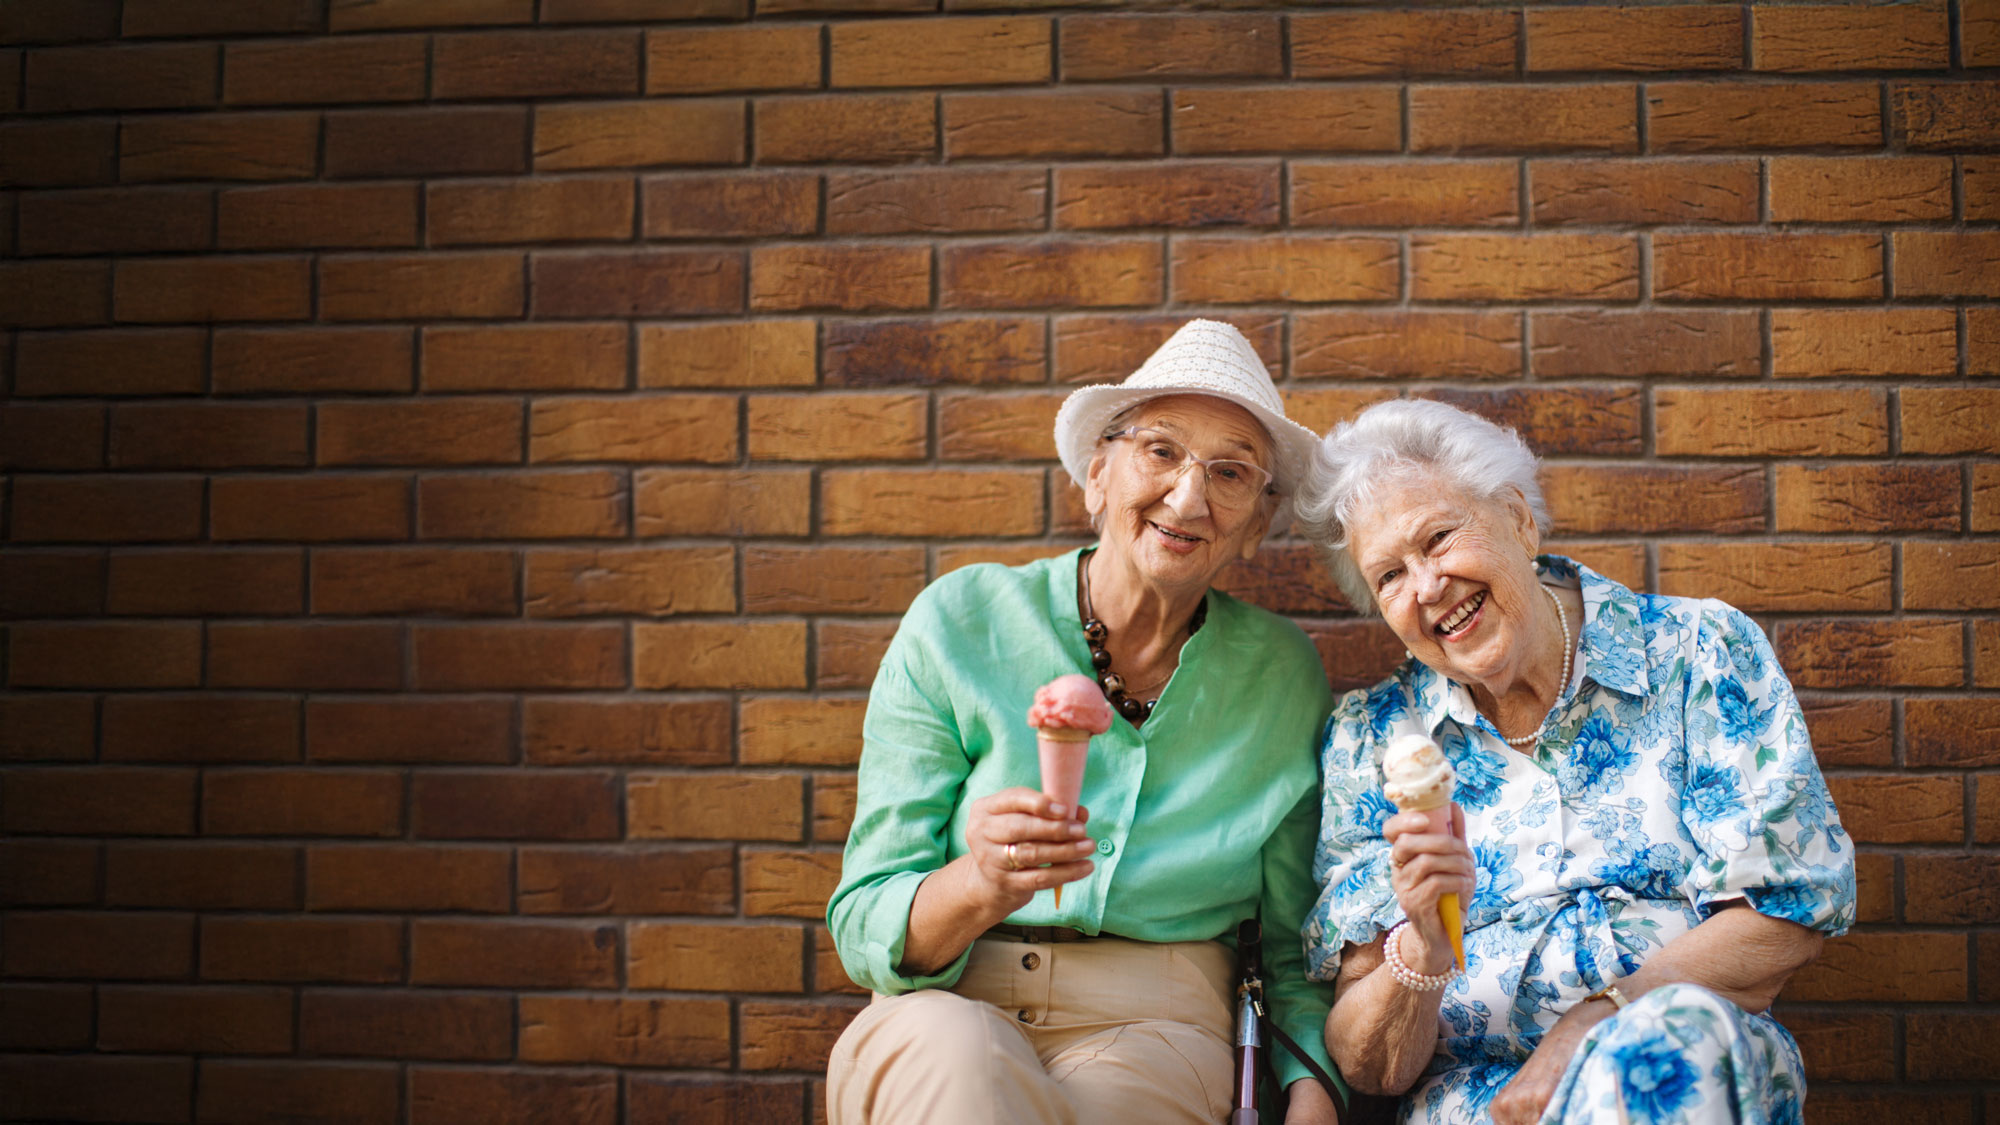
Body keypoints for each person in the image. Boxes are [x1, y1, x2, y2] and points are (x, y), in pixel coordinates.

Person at [825, 320, 1345, 1125]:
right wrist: (982, 881)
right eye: (1161, 451)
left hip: (1160, 1025)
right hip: (948, 1000)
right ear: (1098, 475)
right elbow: (863, 921)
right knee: (954, 1068)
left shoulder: (1282, 673)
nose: (1189, 496)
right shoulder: (960, 622)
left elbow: (1290, 945)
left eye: (1231, 473)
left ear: (1254, 526)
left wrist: (1314, 1090)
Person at [1291, 399, 1854, 1125]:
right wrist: (1425, 948)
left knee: (1659, 1060)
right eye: (1390, 575)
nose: (1427, 586)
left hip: (1674, 1061)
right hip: (1478, 1105)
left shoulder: (1694, 653)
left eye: (1438, 538)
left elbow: (1786, 911)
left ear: (1519, 520)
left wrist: (1598, 1019)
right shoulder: (1373, 738)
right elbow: (1374, 1065)